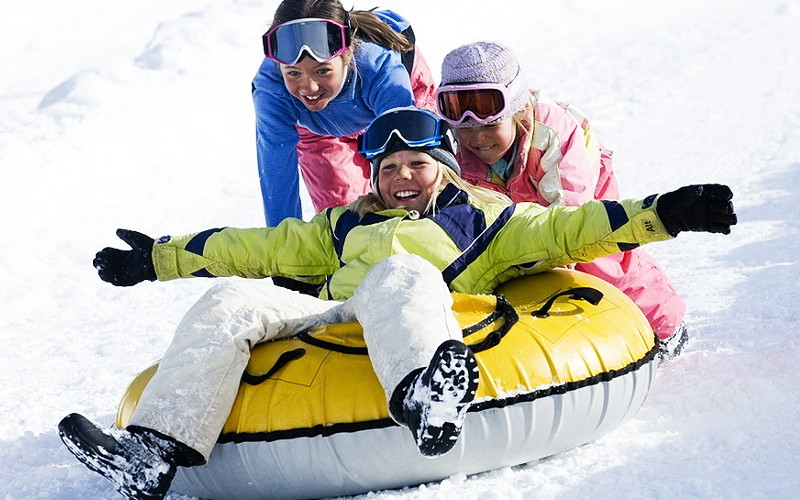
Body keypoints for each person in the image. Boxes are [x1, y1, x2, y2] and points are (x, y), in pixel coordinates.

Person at [59, 108, 737, 500]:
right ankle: (151, 453)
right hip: (331, 322)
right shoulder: (343, 226)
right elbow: (256, 247)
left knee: (403, 274)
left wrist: (668, 213)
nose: (400, 178)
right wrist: (157, 258)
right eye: (387, 169)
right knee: (232, 296)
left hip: (419, 310)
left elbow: (577, 227)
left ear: (441, 169)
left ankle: (426, 396)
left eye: (415, 165)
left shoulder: (490, 223)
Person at [436, 41, 689, 360]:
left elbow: (571, 221)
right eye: (465, 128)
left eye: (490, 125)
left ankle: (666, 325)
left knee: (596, 256)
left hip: (579, 192)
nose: (477, 138)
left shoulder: (553, 133)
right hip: (509, 196)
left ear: (514, 110)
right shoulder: (457, 151)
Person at [253, 0, 436, 228]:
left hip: (396, 112)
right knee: (347, 221)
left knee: (406, 189)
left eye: (322, 70)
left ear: (346, 55)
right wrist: (281, 241)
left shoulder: (379, 68)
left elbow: (406, 155)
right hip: (319, 132)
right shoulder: (272, 89)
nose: (309, 87)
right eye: (293, 73)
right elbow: (276, 170)